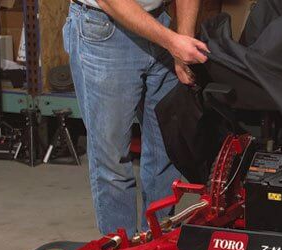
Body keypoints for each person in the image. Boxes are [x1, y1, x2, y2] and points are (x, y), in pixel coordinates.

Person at [63, 0, 208, 237]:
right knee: (112, 161)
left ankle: (157, 248)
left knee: (167, 152)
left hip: (162, 25)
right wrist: (173, 42)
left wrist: (184, 37)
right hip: (106, 30)